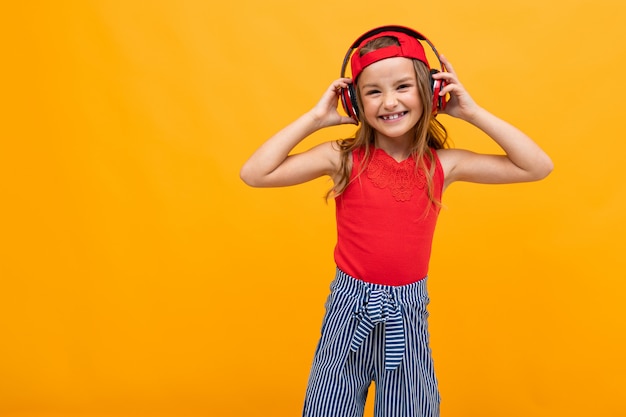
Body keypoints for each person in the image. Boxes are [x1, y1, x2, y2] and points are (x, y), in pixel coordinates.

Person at [240, 25, 553, 417]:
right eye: (373, 91)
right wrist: (314, 119)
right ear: (355, 103)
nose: (389, 101)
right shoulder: (341, 158)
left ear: (432, 92)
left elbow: (537, 166)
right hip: (348, 309)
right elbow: (255, 173)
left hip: (408, 312)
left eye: (403, 86)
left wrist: (471, 112)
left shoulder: (442, 165)